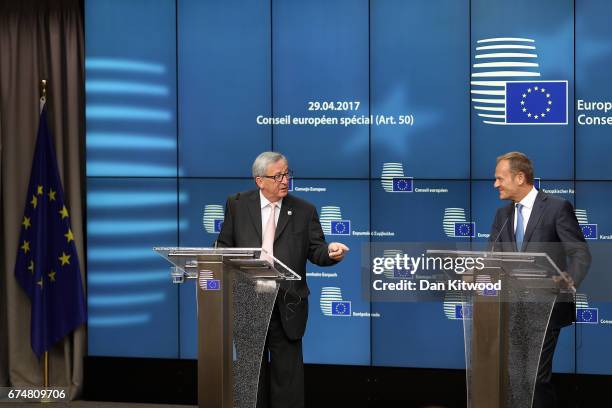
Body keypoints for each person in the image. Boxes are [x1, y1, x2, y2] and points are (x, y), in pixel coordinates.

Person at [216, 151, 349, 408]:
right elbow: (224, 245)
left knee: (287, 381)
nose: (285, 180)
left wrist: (331, 252)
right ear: (259, 180)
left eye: (287, 173)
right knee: (249, 377)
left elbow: (316, 250)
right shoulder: (237, 204)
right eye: (277, 176)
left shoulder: (304, 210)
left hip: (287, 303)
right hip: (248, 301)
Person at [489, 151, 591, 408]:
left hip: (545, 306)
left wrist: (568, 282)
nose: (496, 184)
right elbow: (491, 257)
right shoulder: (502, 216)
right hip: (509, 308)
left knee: (534, 379)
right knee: (514, 379)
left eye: (500, 178)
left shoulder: (557, 207)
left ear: (520, 177)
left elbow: (580, 253)